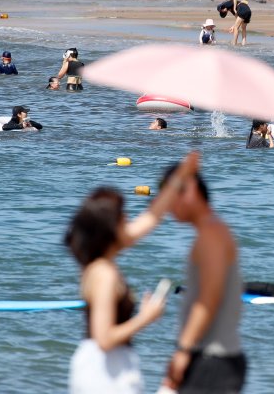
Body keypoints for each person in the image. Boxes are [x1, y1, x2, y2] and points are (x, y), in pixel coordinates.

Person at [66, 152, 199, 394]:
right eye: (123, 216)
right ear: (110, 227)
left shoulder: (98, 261)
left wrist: (180, 176)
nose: (129, 220)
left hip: (107, 366)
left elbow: (151, 218)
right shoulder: (104, 274)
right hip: (103, 372)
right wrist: (146, 317)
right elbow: (103, 338)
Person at [160, 161, 246, 393]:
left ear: (189, 192)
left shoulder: (211, 236)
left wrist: (182, 350)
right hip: (213, 357)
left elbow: (209, 299)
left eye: (169, 198)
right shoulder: (212, 231)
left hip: (214, 361)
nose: (167, 208)